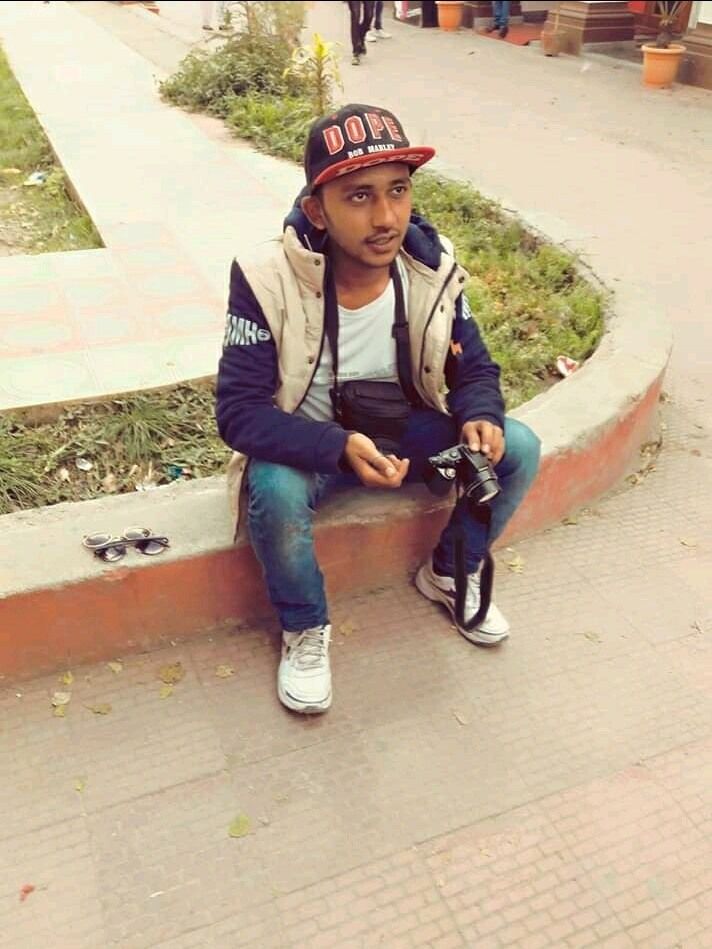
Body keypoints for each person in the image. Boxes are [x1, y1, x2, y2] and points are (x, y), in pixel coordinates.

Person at [216, 103, 541, 715]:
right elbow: (238, 413)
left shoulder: (431, 265)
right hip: (311, 442)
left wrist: (480, 412)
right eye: (359, 197)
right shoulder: (264, 278)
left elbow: (474, 366)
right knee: (274, 490)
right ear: (318, 210)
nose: (386, 217)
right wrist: (336, 446)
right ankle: (304, 626)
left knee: (517, 447)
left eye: (398, 190)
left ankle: (451, 572)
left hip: (406, 432)